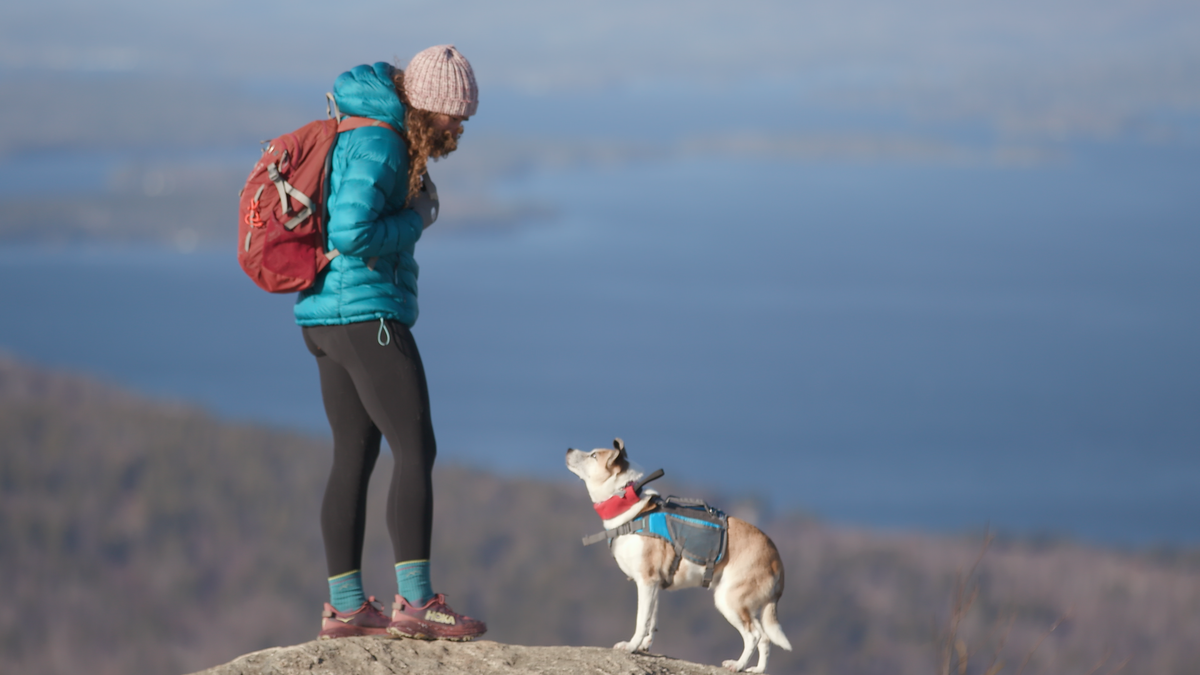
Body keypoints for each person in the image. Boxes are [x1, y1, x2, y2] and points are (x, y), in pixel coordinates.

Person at [295, 45, 486, 641]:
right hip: (366, 313)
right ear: (427, 107)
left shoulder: (365, 130)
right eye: (454, 118)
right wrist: (418, 217)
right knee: (415, 447)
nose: (458, 129)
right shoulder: (382, 142)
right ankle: (418, 602)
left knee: (354, 455)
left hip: (327, 317)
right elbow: (352, 232)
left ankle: (348, 608)